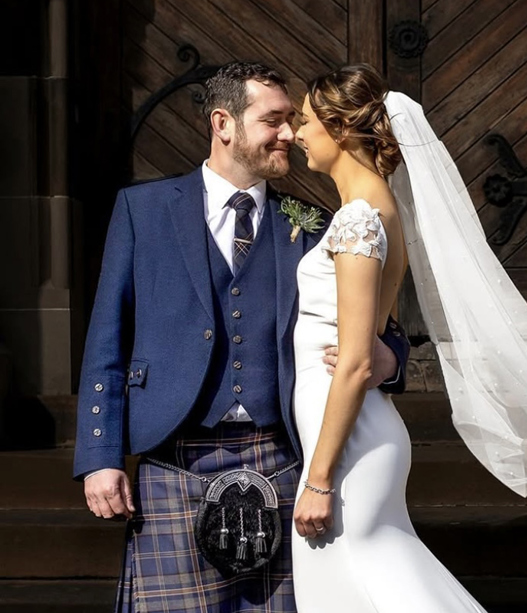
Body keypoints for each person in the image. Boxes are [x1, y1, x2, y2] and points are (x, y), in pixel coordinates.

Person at [72, 61, 409, 613]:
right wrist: (99, 454)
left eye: (291, 121)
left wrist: (387, 359)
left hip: (280, 458)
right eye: (273, 120)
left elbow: (381, 333)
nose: (290, 135)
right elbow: (107, 337)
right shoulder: (144, 210)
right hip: (173, 456)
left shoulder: (317, 223)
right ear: (223, 123)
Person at [289, 64, 527, 612]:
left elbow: (357, 361)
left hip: (348, 446)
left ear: (340, 129)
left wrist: (319, 478)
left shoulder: (358, 219)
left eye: (305, 120)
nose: (297, 134)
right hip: (351, 436)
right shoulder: (375, 210)